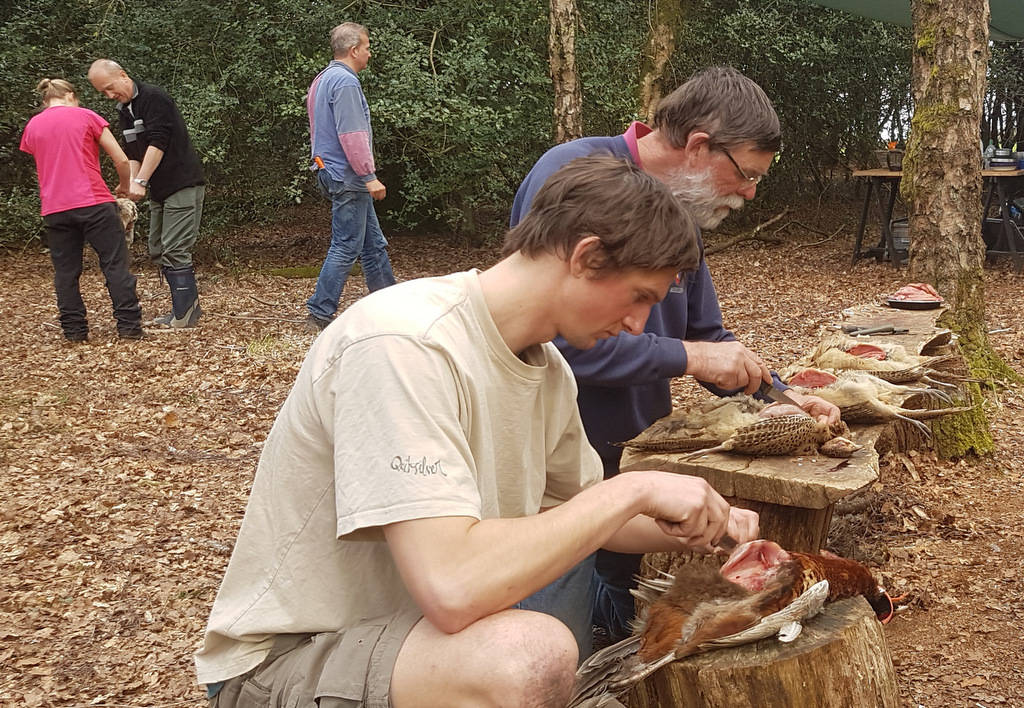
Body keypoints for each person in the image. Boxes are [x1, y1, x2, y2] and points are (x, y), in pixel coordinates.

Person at [194, 156, 760, 708]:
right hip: (290, 660)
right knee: (528, 659)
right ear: (587, 256)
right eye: (641, 298)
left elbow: (588, 515)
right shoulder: (405, 344)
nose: (640, 325)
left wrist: (705, 523)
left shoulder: (549, 372)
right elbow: (453, 589)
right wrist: (632, 489)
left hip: (417, 648)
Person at [510, 66, 842, 645]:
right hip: (550, 484)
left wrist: (782, 395)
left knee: (614, 636)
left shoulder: (679, 211)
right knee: (550, 636)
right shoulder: (576, 174)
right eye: (745, 174)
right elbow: (557, 342)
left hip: (629, 465)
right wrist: (687, 358)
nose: (750, 193)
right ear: (697, 146)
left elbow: (707, 337)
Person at [19, 78, 143, 341]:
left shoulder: (33, 126)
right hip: (94, 202)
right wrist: (123, 186)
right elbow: (120, 158)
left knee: (66, 272)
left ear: (46, 100)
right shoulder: (86, 116)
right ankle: (129, 327)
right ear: (71, 96)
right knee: (114, 265)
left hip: (54, 207)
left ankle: (74, 331)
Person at [87, 58, 205, 328]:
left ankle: (184, 314)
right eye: (102, 92)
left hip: (182, 183)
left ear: (123, 75)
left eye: (109, 87)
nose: (108, 95)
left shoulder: (154, 98)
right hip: (159, 189)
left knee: (175, 248)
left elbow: (158, 142)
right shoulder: (124, 110)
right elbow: (133, 154)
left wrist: (140, 180)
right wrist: (128, 183)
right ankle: (188, 308)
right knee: (157, 248)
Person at [304, 22, 396, 334]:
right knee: (346, 245)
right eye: (367, 47)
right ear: (354, 50)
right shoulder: (345, 82)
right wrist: (368, 175)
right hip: (348, 175)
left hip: (332, 171)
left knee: (373, 246)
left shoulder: (322, 79)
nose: (369, 53)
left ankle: (389, 305)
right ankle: (319, 313)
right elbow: (351, 133)